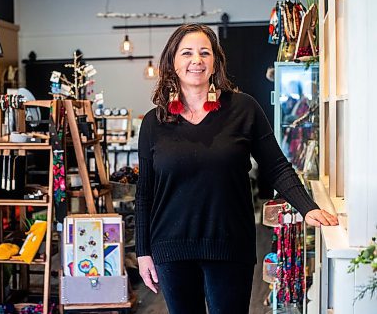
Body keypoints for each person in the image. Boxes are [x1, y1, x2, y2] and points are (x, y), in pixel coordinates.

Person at [135, 23, 338, 314]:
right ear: (172, 63)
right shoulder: (154, 122)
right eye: (187, 53)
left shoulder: (243, 109)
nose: (197, 60)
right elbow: (145, 193)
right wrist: (143, 252)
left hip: (229, 243)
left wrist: (308, 208)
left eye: (205, 53)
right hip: (171, 248)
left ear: (215, 62)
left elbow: (276, 166)